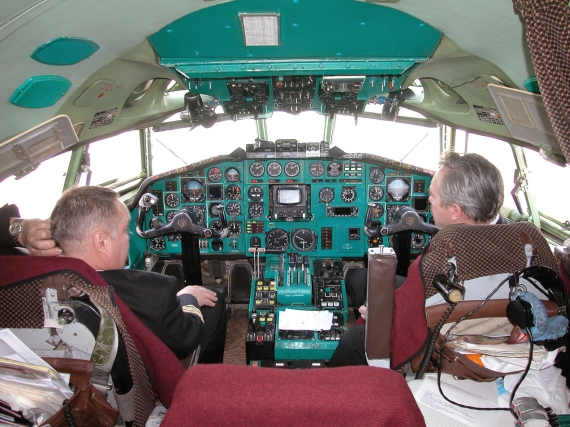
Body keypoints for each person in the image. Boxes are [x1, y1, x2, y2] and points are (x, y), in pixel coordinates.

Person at [329, 151, 506, 367]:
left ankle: (354, 378)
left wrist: (379, 316)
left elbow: (420, 310)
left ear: (455, 211)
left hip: (446, 327)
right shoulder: (521, 237)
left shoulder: (443, 255)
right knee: (361, 279)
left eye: (433, 197)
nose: (428, 201)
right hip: (464, 308)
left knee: (353, 341)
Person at [49, 186, 226, 363]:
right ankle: (207, 375)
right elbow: (187, 338)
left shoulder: (44, 281)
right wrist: (188, 298)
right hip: (143, 370)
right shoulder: (149, 291)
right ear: (101, 242)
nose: (128, 238)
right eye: (125, 230)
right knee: (214, 299)